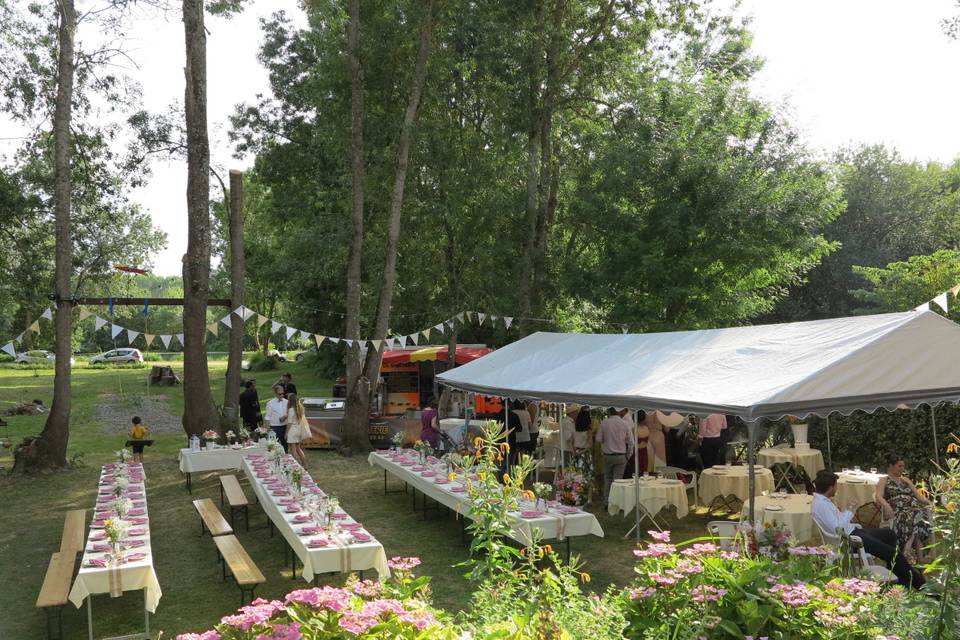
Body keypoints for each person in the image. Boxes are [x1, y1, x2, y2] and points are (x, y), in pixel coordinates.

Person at [812, 470, 924, 589]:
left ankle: (898, 576)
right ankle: (921, 585)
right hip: (849, 540)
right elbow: (838, 528)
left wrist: (849, 511)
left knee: (890, 534)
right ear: (830, 487)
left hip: (852, 532)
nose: (837, 488)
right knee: (893, 553)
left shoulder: (821, 501)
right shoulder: (822, 505)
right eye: (836, 485)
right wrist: (850, 511)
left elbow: (836, 523)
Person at [875, 454, 933, 563]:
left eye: (903, 466)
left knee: (916, 515)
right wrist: (886, 505)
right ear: (891, 466)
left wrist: (930, 503)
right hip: (897, 510)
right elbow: (878, 496)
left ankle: (907, 549)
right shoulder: (884, 480)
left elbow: (918, 496)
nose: (902, 469)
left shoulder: (905, 480)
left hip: (913, 507)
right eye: (899, 466)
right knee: (916, 518)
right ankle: (919, 560)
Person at [597, 407, 633, 505]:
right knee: (618, 480)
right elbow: (631, 442)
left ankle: (606, 501)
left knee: (608, 479)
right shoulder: (625, 424)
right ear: (619, 411)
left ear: (609, 411)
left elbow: (598, 439)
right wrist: (628, 455)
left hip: (607, 455)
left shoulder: (604, 423)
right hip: (621, 455)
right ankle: (617, 502)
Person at [623, 410, 650, 478]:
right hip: (645, 452)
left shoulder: (634, 429)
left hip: (636, 453)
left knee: (635, 473)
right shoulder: (647, 429)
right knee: (644, 471)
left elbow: (630, 442)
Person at [285, 392, 308, 466]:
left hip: (292, 430)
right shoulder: (300, 409)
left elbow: (289, 423)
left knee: (293, 450)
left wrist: (286, 433)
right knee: (298, 449)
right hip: (298, 430)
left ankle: (295, 466)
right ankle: (305, 464)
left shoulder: (291, 410)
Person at [265, 384, 289, 452]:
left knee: (285, 445)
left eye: (283, 393)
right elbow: (267, 417)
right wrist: (268, 430)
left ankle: (286, 460)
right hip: (274, 427)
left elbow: (290, 413)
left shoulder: (287, 402)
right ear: (275, 393)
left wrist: (285, 416)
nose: (282, 395)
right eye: (279, 394)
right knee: (273, 446)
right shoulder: (270, 403)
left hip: (285, 426)